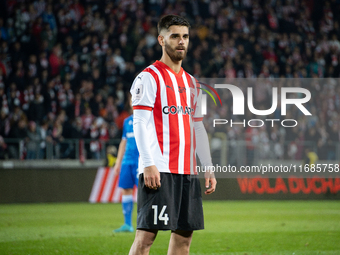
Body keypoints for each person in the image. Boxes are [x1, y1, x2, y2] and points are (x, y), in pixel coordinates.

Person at [129, 15, 217, 255]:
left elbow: (197, 127)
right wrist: (148, 164)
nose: (181, 42)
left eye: (185, 37)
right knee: (145, 238)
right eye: (175, 36)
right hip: (160, 169)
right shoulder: (149, 77)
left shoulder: (192, 83)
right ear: (161, 39)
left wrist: (207, 166)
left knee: (183, 241)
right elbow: (139, 122)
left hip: (187, 172)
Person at [113, 105, 139, 233]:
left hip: (141, 161)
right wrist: (118, 161)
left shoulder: (149, 118)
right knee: (126, 190)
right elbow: (123, 142)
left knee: (145, 191)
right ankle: (127, 224)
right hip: (127, 161)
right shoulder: (127, 121)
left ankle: (146, 223)